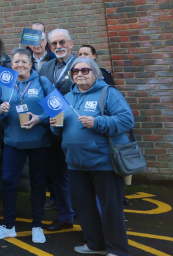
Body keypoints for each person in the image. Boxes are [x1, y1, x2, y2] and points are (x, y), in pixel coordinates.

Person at [50, 57, 134, 256]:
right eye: (75, 71)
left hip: (103, 162)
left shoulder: (108, 93)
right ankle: (95, 244)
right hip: (75, 163)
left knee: (110, 209)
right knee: (84, 208)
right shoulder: (67, 98)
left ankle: (118, 250)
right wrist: (55, 125)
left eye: (85, 70)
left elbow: (126, 120)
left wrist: (97, 122)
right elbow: (58, 131)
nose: (79, 74)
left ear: (95, 73)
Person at [0, 48, 55, 244]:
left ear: (31, 64)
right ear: (11, 65)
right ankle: (9, 226)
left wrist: (40, 118)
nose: (20, 66)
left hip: (39, 142)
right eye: (16, 62)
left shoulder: (42, 82)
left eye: (24, 62)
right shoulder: (4, 83)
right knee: (8, 181)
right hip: (13, 142)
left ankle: (37, 226)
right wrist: (0, 110)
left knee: (38, 183)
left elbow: (58, 110)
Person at [37, 28, 76, 231]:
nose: (58, 47)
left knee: (80, 178)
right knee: (58, 177)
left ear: (70, 43)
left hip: (74, 130)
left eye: (62, 42)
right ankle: (65, 216)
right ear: (49, 47)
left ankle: (88, 221)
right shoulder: (45, 67)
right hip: (51, 130)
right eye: (54, 44)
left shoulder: (82, 66)